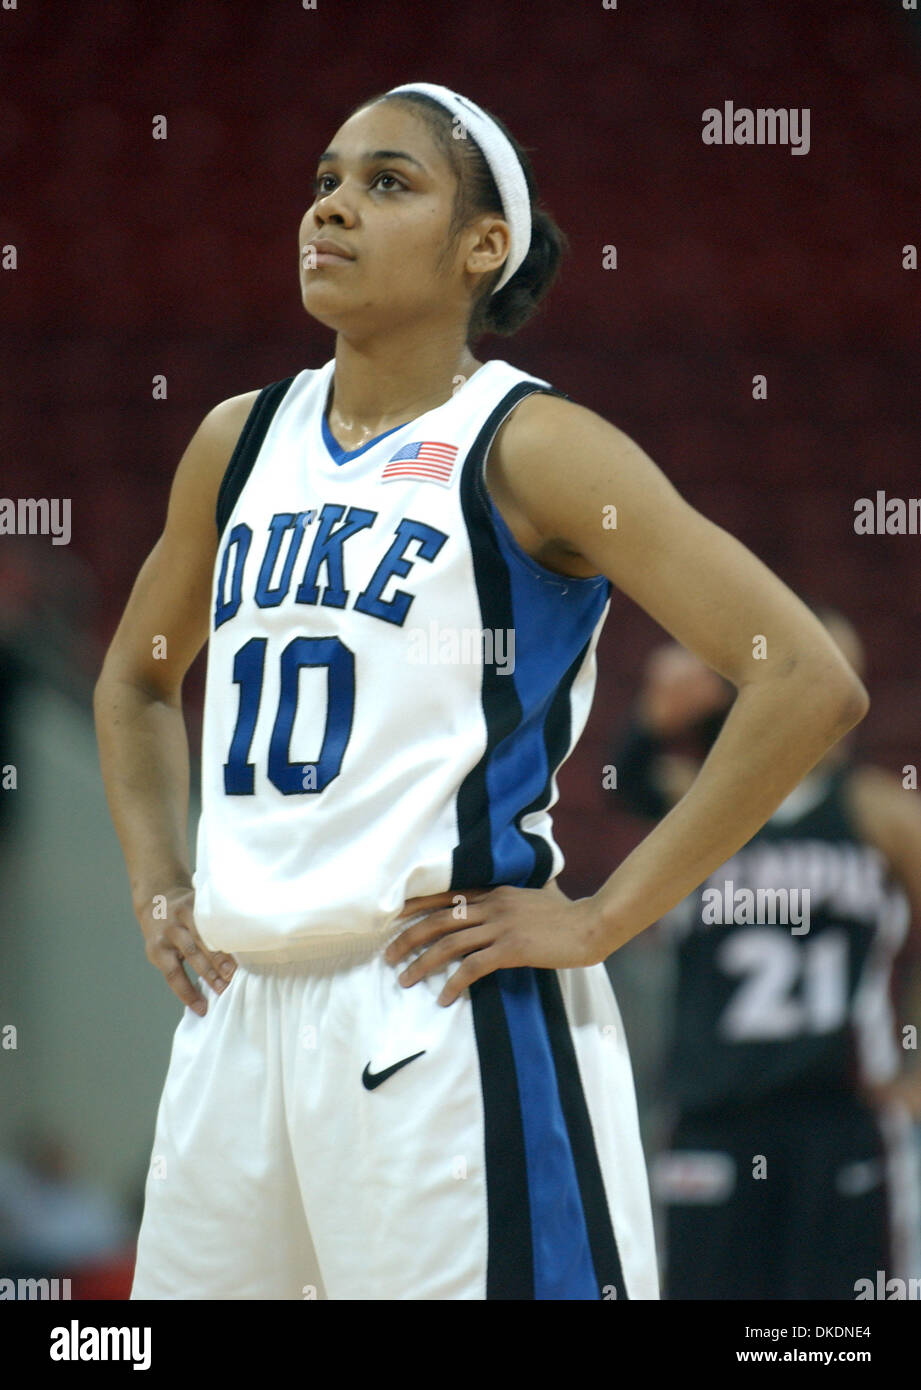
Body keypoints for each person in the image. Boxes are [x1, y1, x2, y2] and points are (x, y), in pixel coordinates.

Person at [93, 81, 869, 1301]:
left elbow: (806, 680)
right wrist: (157, 883)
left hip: (441, 1014)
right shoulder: (236, 441)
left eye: (386, 183)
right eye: (326, 181)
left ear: (482, 247)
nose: (334, 208)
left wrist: (604, 918)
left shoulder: (533, 445)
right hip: (237, 1024)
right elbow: (137, 685)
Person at [607, 608, 921, 1299]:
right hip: (712, 1110)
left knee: (834, 1334)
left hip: (836, 1114)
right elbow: (622, 782)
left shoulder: (878, 812)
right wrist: (652, 717)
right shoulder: (698, 797)